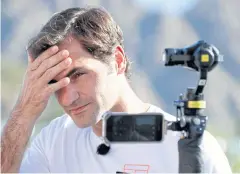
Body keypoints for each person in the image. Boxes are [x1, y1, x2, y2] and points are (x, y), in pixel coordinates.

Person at [1, 7, 232, 173]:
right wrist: (25, 109)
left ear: (118, 60)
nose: (67, 97)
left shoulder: (190, 146)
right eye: (55, 82)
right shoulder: (55, 140)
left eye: (79, 75)